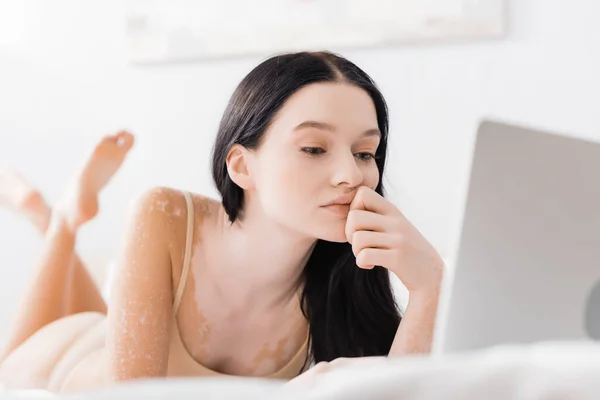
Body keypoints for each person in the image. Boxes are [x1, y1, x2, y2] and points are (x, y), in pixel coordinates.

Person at [0, 51, 444, 394]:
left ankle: (57, 217)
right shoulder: (163, 213)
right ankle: (55, 218)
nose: (351, 175)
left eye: (365, 153)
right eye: (314, 148)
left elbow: (398, 394)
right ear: (241, 166)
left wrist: (428, 287)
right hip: (59, 359)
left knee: (102, 313)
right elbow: (132, 398)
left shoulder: (339, 285)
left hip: (108, 331)